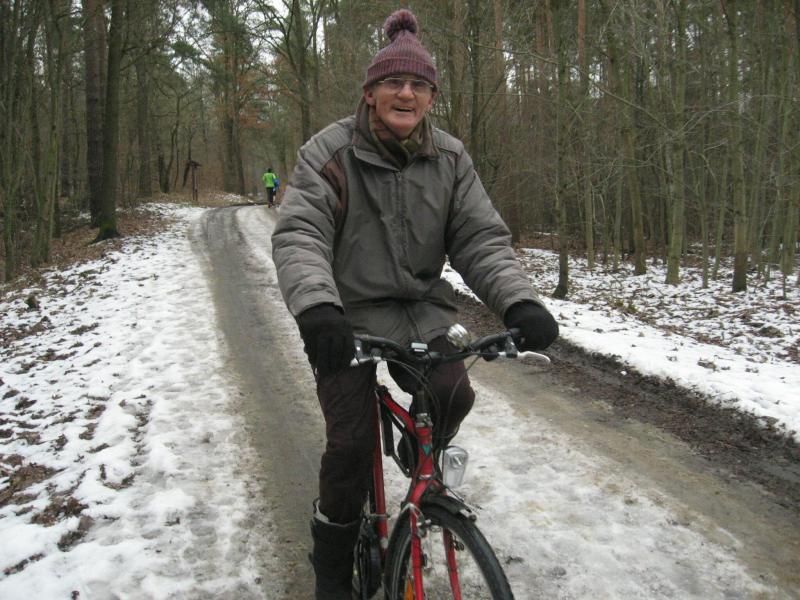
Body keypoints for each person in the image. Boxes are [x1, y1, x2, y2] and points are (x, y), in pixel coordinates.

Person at [271, 9, 558, 599]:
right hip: (345, 315)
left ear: (430, 98)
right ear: (370, 93)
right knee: (351, 445)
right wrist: (318, 309)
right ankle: (332, 571)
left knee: (454, 393)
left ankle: (418, 459)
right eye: (394, 83)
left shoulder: (450, 159)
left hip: (423, 311)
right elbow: (301, 233)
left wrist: (519, 302)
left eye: (419, 85)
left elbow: (480, 239)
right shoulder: (330, 152)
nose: (406, 94)